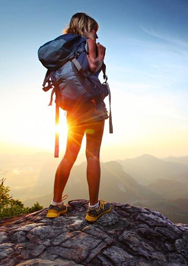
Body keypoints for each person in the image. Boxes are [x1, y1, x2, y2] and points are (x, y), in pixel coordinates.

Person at [46, 12, 111, 222]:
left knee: (69, 155)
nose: (96, 37)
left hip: (72, 111)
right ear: (87, 27)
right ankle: (93, 208)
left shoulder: (62, 49)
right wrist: (100, 58)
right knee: (92, 156)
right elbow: (92, 66)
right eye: (95, 31)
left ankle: (55, 205)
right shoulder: (88, 42)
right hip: (92, 110)